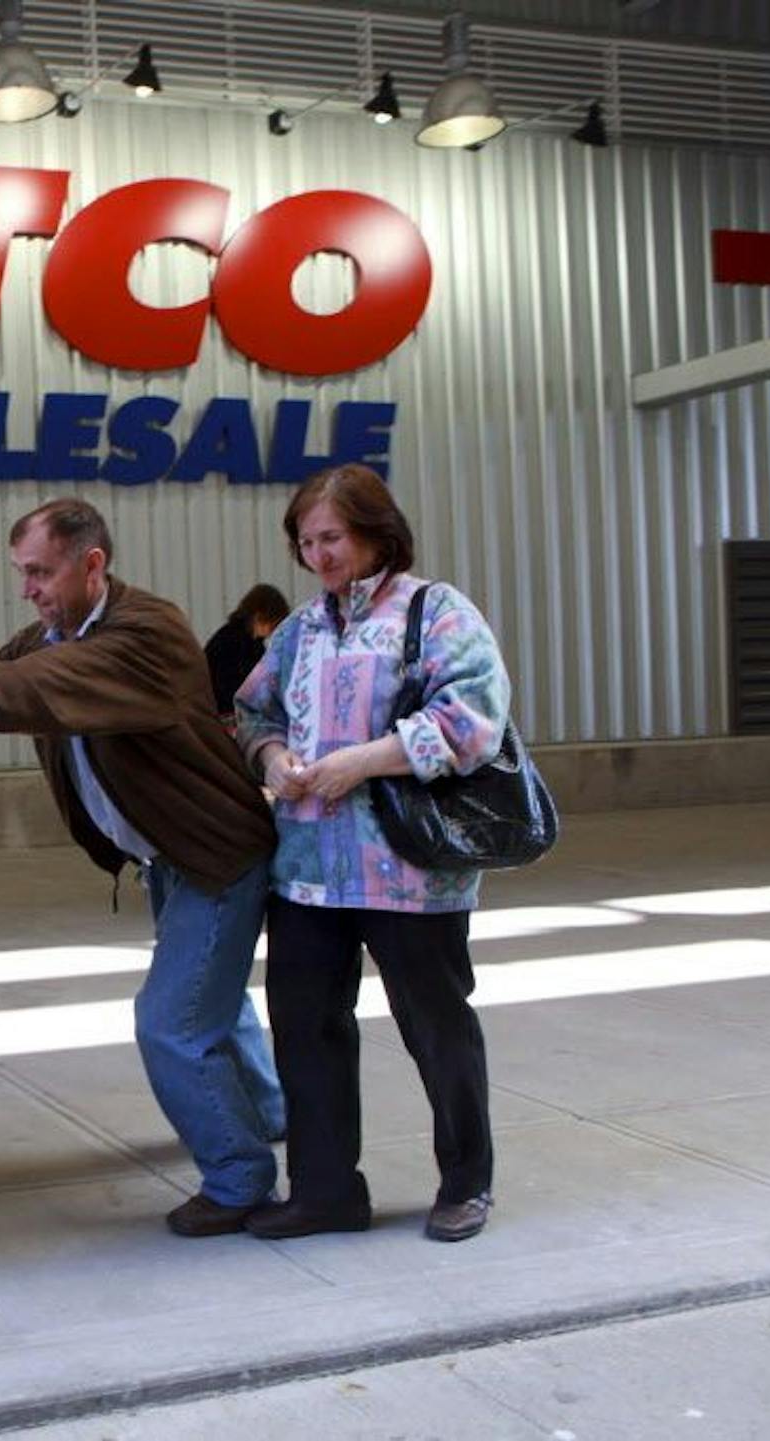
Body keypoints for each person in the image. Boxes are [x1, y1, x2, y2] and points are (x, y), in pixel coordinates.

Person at [0, 498, 286, 1237]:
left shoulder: (146, 633)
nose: (27, 588)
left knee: (172, 1022)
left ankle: (240, 1175)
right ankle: (271, 1111)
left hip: (215, 855)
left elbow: (36, 685)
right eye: (21, 573)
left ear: (91, 563)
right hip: (169, 856)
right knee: (213, 997)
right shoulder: (55, 632)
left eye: (40, 571)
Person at [231, 463, 512, 1244]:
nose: (319, 554)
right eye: (307, 540)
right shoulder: (299, 630)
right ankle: (324, 1191)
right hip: (309, 873)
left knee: (436, 1024)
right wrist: (273, 756)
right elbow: (251, 709)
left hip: (412, 873)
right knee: (306, 1027)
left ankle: (466, 1182)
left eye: (333, 537)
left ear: (375, 532)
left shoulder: (438, 612)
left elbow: (474, 719)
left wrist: (363, 759)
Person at [203, 584, 290, 724]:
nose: (274, 631)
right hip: (221, 716)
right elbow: (231, 688)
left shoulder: (254, 643)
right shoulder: (229, 641)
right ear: (259, 616)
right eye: (274, 625)